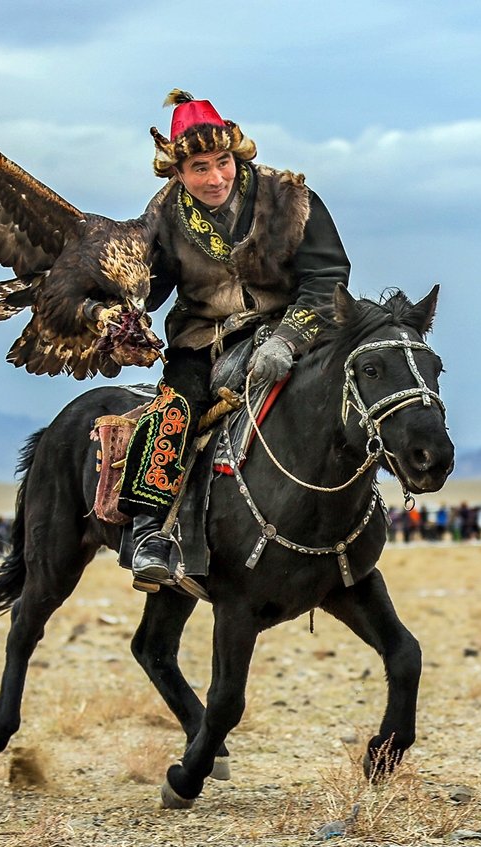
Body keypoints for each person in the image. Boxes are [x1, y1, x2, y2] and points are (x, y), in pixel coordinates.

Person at [118, 90, 352, 586]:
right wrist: (120, 317)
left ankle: (362, 507)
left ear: (237, 154)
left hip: (294, 327)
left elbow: (327, 276)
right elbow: (150, 289)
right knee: (175, 409)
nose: (214, 178)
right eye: (199, 167)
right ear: (177, 172)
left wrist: (287, 340)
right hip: (203, 338)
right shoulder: (160, 216)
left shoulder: (289, 196)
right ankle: (148, 533)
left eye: (222, 162)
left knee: (351, 390)